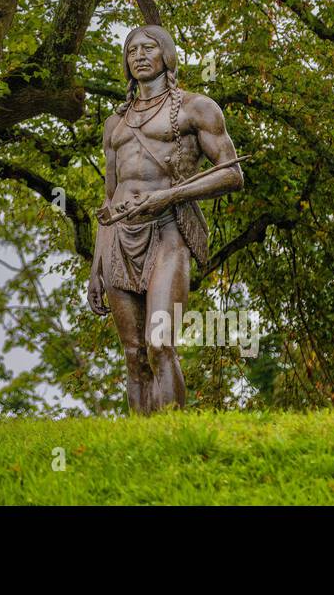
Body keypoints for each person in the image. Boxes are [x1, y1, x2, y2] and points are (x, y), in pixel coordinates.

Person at [90, 24, 243, 413]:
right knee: (133, 353)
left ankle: (172, 433)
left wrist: (169, 195)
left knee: (160, 342)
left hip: (168, 233)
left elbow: (231, 173)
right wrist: (96, 266)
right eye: (131, 50)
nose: (139, 55)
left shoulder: (197, 108)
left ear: (167, 56)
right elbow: (108, 199)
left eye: (148, 48)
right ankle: (143, 444)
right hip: (120, 239)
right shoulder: (115, 124)